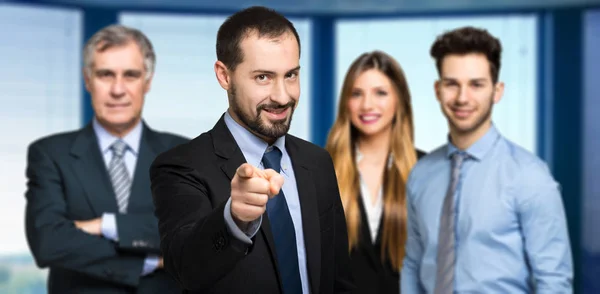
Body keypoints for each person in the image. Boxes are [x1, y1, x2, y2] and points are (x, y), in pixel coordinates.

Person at [149, 6, 354, 294]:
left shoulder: (317, 162)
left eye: (291, 75)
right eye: (263, 77)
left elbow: (338, 277)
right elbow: (185, 270)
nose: (282, 96)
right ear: (224, 76)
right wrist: (234, 219)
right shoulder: (180, 166)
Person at [400, 26, 573, 293]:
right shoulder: (421, 175)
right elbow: (413, 263)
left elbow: (554, 281)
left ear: (497, 90)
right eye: (451, 84)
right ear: (437, 89)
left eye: (476, 85)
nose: (462, 98)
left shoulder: (530, 176)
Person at [24, 24, 187, 293]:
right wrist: (146, 260)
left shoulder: (183, 154)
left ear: (147, 81)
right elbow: (48, 241)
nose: (118, 89)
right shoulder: (50, 154)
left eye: (131, 75)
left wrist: (105, 225)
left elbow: (192, 235)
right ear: (87, 80)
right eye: (105, 75)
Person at [325, 51, 424, 293]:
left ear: (399, 100)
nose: (367, 105)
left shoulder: (428, 170)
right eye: (356, 94)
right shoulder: (321, 169)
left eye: (380, 93)